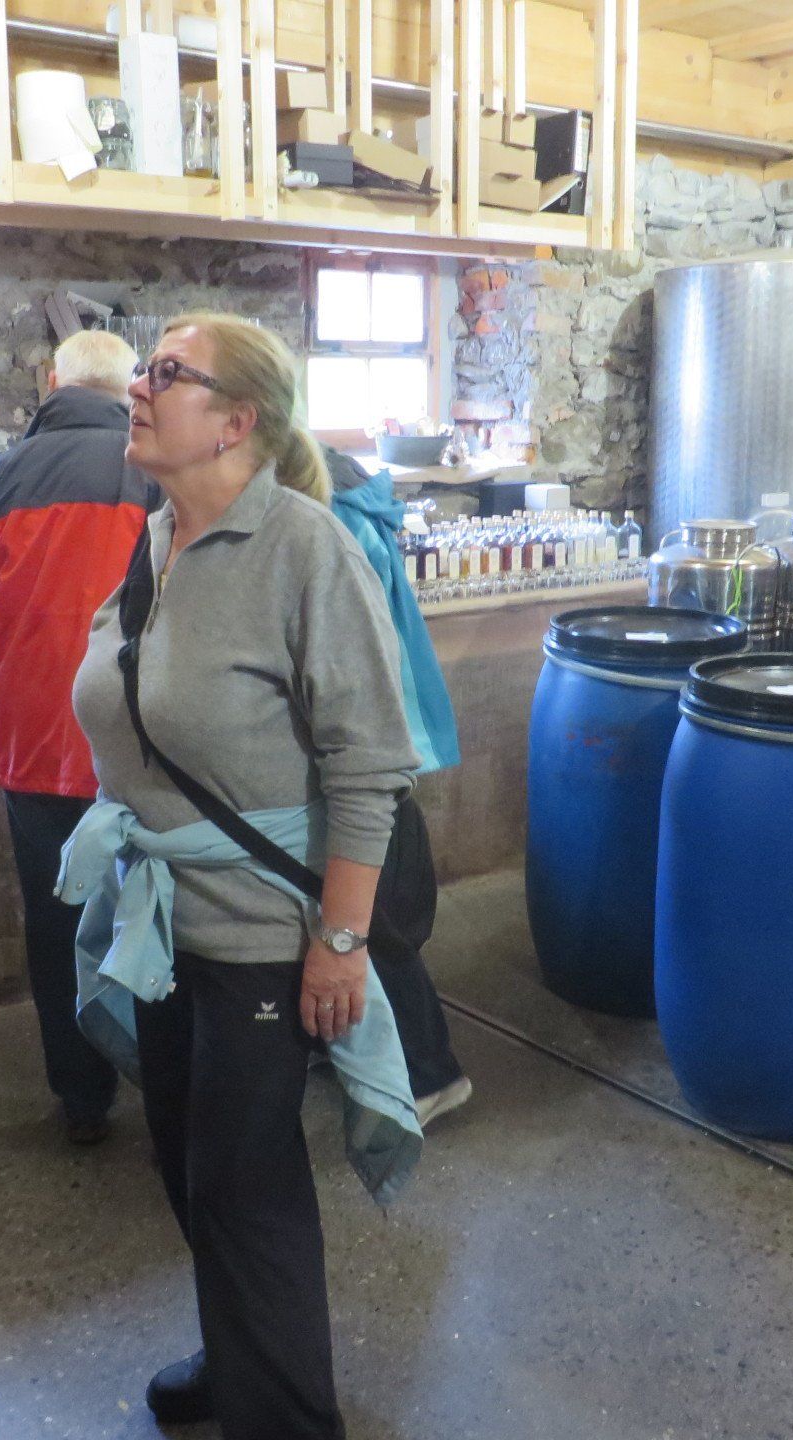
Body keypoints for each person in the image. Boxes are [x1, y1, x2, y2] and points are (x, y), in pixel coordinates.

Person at [61, 313, 421, 1439]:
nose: (139, 385)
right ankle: (238, 1356)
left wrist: (342, 941)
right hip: (163, 923)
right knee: (187, 1161)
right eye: (143, 367)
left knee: (246, 1184)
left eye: (169, 373)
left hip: (264, 930)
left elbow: (370, 764)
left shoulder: (305, 549)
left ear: (235, 421)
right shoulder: (157, 539)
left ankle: (289, 1417)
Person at [0, 329, 153, 1146]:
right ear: (130, 386)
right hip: (140, 732)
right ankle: (169, 1085)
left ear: (53, 383)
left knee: (58, 916)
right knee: (158, 907)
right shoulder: (156, 465)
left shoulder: (5, 474)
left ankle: (82, 1098)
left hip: (33, 734)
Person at [324, 444, 472, 1124]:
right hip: (387, 738)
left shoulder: (331, 521)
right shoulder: (351, 506)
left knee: (374, 926)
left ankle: (429, 1076)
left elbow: (350, 654)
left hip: (366, 747)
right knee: (378, 918)